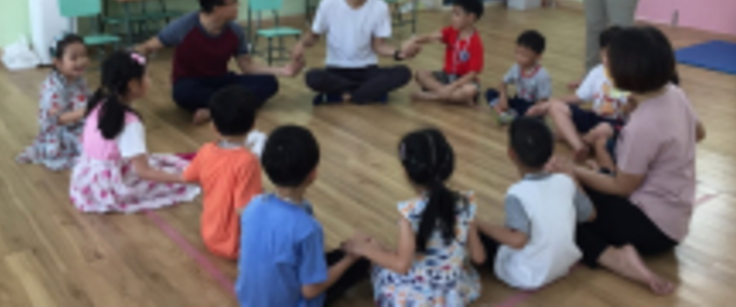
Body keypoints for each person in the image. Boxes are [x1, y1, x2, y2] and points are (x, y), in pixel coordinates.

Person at [549, 26, 706, 296]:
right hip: (675, 220)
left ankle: (616, 258)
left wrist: (572, 170)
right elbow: (699, 133)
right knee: (585, 187)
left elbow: (622, 187)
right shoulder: (674, 93)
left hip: (651, 228)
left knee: (558, 207)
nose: (606, 65)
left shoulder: (642, 125)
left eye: (611, 61)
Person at [345, 128, 485, 306]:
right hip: (453, 294)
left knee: (373, 255)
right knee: (379, 247)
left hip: (417, 298)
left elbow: (402, 266)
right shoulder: (466, 201)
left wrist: (364, 250)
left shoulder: (410, 212)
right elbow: (479, 257)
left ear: (407, 172)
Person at [136, 0, 300, 124]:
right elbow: (146, 47)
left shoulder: (235, 30)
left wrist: (282, 70)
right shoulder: (184, 26)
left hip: (221, 81)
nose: (237, 6)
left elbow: (247, 65)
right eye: (232, 2)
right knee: (182, 93)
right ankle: (231, 106)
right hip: (192, 83)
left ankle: (214, 110)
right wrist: (137, 71)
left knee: (268, 82)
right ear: (216, 7)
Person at [236, 125, 370, 307]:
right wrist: (351, 258)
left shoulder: (253, 206)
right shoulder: (308, 229)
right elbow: (310, 290)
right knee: (360, 262)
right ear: (313, 174)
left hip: (248, 301)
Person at [69, 51, 199, 213]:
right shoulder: (130, 122)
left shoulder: (99, 103)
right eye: (147, 76)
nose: (150, 81)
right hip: (114, 186)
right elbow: (144, 172)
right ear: (133, 85)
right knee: (178, 175)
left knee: (160, 162)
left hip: (89, 180)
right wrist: (183, 179)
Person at [476, 117, 594, 290]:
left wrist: (479, 223)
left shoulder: (517, 193)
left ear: (511, 153)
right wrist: (573, 178)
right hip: (563, 266)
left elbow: (518, 241)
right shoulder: (565, 181)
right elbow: (589, 214)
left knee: (481, 236)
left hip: (527, 275)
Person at [292, 0, 419, 105]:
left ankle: (343, 95)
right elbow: (314, 35)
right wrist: (301, 44)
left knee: (403, 73)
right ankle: (365, 93)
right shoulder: (328, 3)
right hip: (336, 69)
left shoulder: (380, 7)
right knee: (312, 77)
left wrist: (399, 53)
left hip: (367, 69)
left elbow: (379, 45)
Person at [183, 86, 264, 259]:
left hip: (210, 235)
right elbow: (244, 210)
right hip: (236, 245)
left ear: (213, 127)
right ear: (253, 125)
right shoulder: (248, 161)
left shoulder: (206, 150)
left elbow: (188, 177)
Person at [543, 26, 628, 160]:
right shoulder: (597, 72)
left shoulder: (630, 76)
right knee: (555, 107)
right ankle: (580, 146)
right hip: (594, 117)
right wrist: (551, 102)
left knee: (602, 130)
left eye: (613, 56)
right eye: (604, 54)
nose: (607, 60)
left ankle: (575, 138)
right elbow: (578, 98)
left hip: (615, 124)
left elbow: (632, 109)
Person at [17, 34, 90, 171]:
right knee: (91, 148)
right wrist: (85, 112)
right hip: (61, 131)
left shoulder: (79, 80)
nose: (81, 61)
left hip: (79, 123)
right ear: (58, 63)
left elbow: (86, 99)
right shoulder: (53, 87)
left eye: (84, 55)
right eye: (74, 58)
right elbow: (57, 120)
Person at [411, 0, 485, 105]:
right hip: (446, 76)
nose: (453, 18)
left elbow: (472, 73)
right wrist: (413, 40)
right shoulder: (451, 31)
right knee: (420, 74)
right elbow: (431, 37)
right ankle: (450, 96)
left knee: (470, 90)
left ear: (471, 17)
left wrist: (452, 87)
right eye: (453, 13)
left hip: (463, 80)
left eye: (457, 14)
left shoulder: (476, 42)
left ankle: (432, 96)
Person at [485, 30, 551, 124]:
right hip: (517, 101)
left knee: (533, 115)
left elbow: (543, 100)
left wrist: (533, 111)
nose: (518, 57)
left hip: (531, 105)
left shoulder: (542, 75)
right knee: (490, 93)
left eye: (524, 55)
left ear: (537, 56)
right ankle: (510, 114)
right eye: (517, 53)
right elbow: (503, 83)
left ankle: (509, 115)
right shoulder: (516, 67)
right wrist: (503, 97)